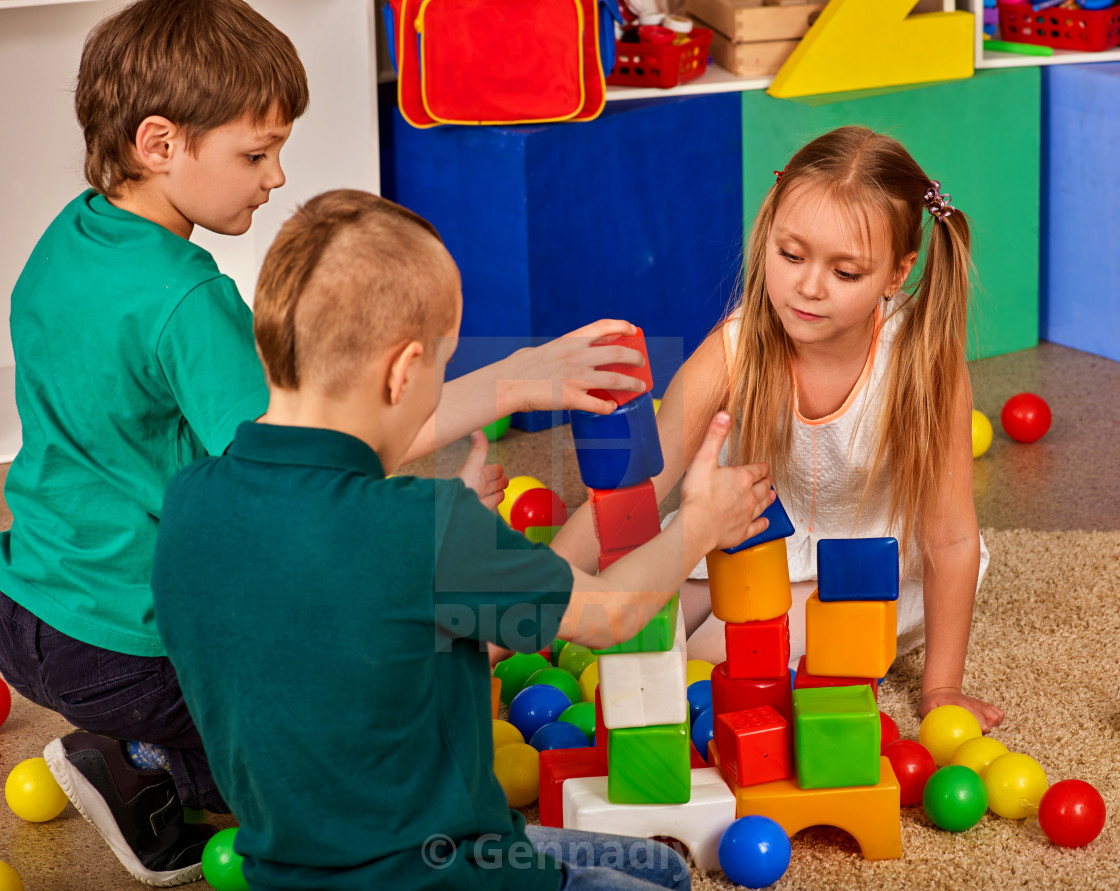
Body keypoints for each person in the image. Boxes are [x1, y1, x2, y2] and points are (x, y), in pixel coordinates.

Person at [0, 1, 648, 885]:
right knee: (347, 737)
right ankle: (147, 766)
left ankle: (137, 745)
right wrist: (520, 381)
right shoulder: (187, 301)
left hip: (28, 607)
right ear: (159, 144)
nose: (274, 178)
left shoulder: (61, 246)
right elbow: (309, 468)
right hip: (129, 641)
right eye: (255, 153)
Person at [149, 189, 775, 890]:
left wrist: (476, 504)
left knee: (656, 863)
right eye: (443, 366)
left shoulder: (189, 502)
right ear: (402, 371)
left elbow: (321, 538)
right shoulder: (425, 524)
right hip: (450, 873)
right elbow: (611, 614)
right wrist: (703, 521)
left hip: (289, 867)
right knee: (674, 882)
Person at [553, 126, 1004, 733]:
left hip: (865, 573)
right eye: (791, 256)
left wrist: (942, 688)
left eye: (846, 273)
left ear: (898, 274)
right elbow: (638, 485)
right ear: (769, 236)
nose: (809, 287)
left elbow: (950, 539)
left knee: (714, 652)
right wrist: (533, 601)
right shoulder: (737, 346)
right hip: (742, 549)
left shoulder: (926, 366)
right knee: (613, 622)